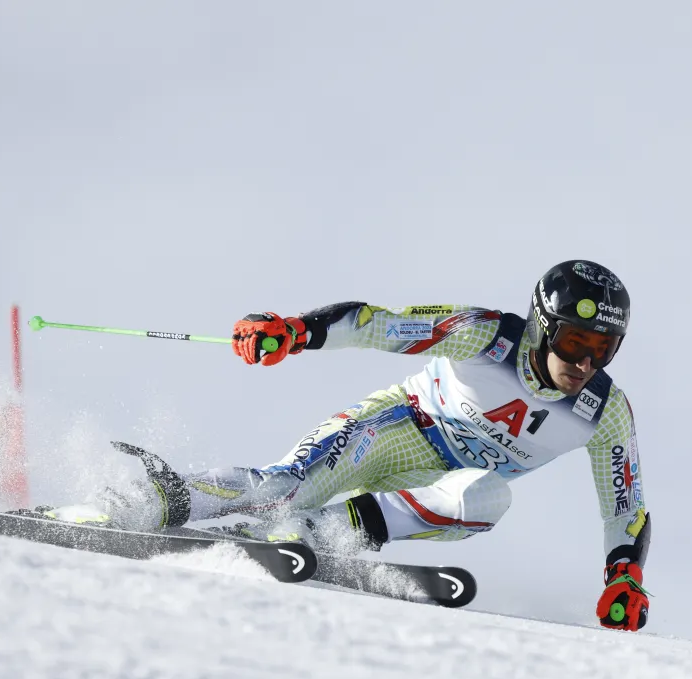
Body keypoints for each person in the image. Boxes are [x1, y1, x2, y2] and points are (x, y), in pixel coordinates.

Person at [45, 260, 651, 631]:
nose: (585, 363)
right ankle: (139, 503)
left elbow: (626, 508)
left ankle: (319, 532)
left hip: (441, 488)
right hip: (394, 430)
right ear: (544, 325)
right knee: (278, 487)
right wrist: (296, 331)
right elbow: (377, 323)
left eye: (604, 349)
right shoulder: (487, 335)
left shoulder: (605, 413)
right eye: (575, 342)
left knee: (488, 497)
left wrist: (624, 578)